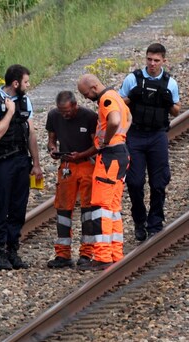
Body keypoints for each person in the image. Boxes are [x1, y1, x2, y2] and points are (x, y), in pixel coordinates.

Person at [0, 64, 43, 270]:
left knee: (18, 207)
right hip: (2, 162)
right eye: (26, 82)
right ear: (15, 83)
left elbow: (31, 134)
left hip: (20, 160)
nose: (28, 85)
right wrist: (9, 113)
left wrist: (36, 163)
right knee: (1, 206)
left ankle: (12, 250)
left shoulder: (25, 101)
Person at [119, 43, 181, 241]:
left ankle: (155, 221)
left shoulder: (169, 82)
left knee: (159, 182)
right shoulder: (133, 79)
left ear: (164, 61)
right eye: (149, 59)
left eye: (156, 60)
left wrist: (168, 101)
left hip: (157, 136)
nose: (152, 64)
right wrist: (131, 97)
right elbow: (118, 105)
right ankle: (139, 220)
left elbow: (176, 110)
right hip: (135, 135)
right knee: (135, 182)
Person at [77, 74, 131, 270]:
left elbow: (115, 120)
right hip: (121, 153)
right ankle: (116, 253)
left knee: (101, 207)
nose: (85, 98)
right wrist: (120, 137)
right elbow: (128, 117)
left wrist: (107, 141)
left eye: (85, 94)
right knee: (113, 208)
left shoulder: (106, 99)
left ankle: (102, 256)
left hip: (109, 156)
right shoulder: (116, 96)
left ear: (93, 87)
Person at [45, 91, 99, 269]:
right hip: (67, 166)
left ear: (75, 105)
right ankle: (62, 254)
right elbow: (51, 139)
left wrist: (81, 155)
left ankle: (86, 253)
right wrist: (53, 148)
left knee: (88, 209)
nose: (64, 115)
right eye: (61, 111)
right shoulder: (54, 116)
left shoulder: (90, 117)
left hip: (86, 165)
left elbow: (97, 145)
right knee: (62, 209)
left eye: (67, 111)